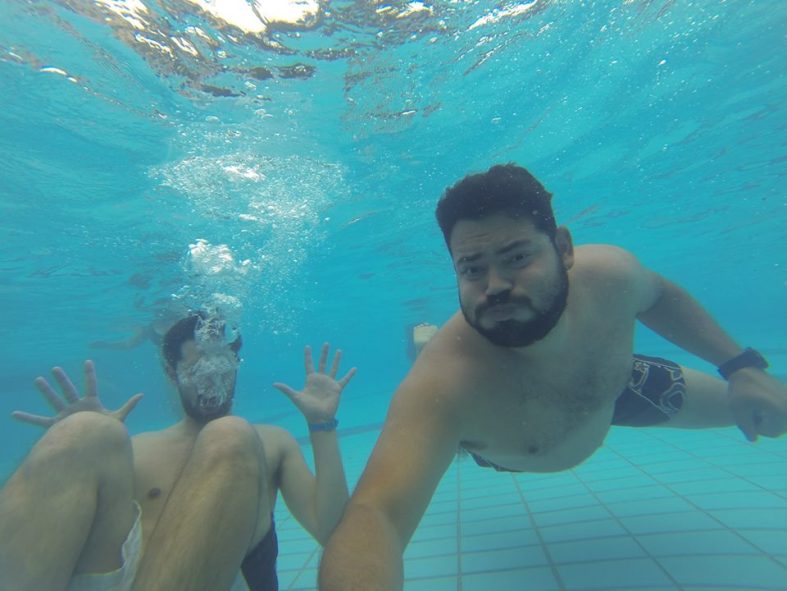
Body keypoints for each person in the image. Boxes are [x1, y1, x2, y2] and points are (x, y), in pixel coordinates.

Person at [319, 163, 787, 590]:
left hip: (616, 387)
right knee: (432, 356)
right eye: (472, 268)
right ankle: (420, 340)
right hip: (501, 436)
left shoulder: (610, 273)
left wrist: (741, 367)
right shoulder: (444, 385)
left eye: (517, 257)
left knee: (767, 406)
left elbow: (660, 295)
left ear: (564, 249)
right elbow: (375, 515)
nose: (496, 285)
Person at [0, 312, 356, 591]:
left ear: (236, 364)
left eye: (221, 365)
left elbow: (329, 530)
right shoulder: (134, 451)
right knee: (87, 432)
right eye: (197, 368)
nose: (212, 379)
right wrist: (68, 449)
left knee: (229, 435)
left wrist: (321, 425)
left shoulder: (272, 442)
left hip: (219, 578)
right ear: (171, 373)